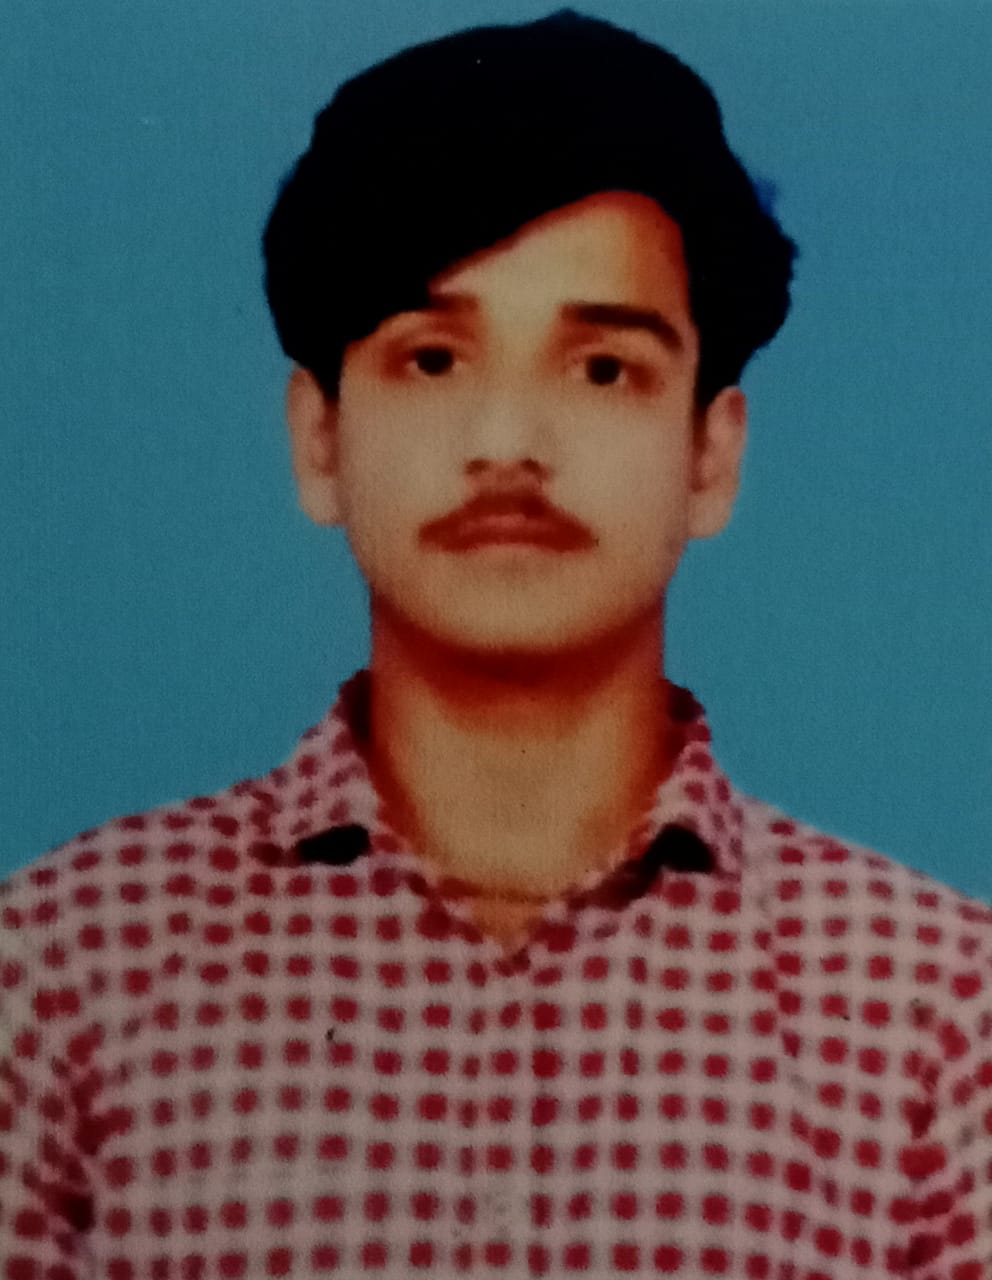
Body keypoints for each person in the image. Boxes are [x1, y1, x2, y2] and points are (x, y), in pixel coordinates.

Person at [2, 10, 989, 1277]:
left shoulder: (933, 1014)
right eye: (431, 359)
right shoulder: (63, 974)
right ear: (318, 437)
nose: (507, 443)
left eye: (601, 369)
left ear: (710, 453)